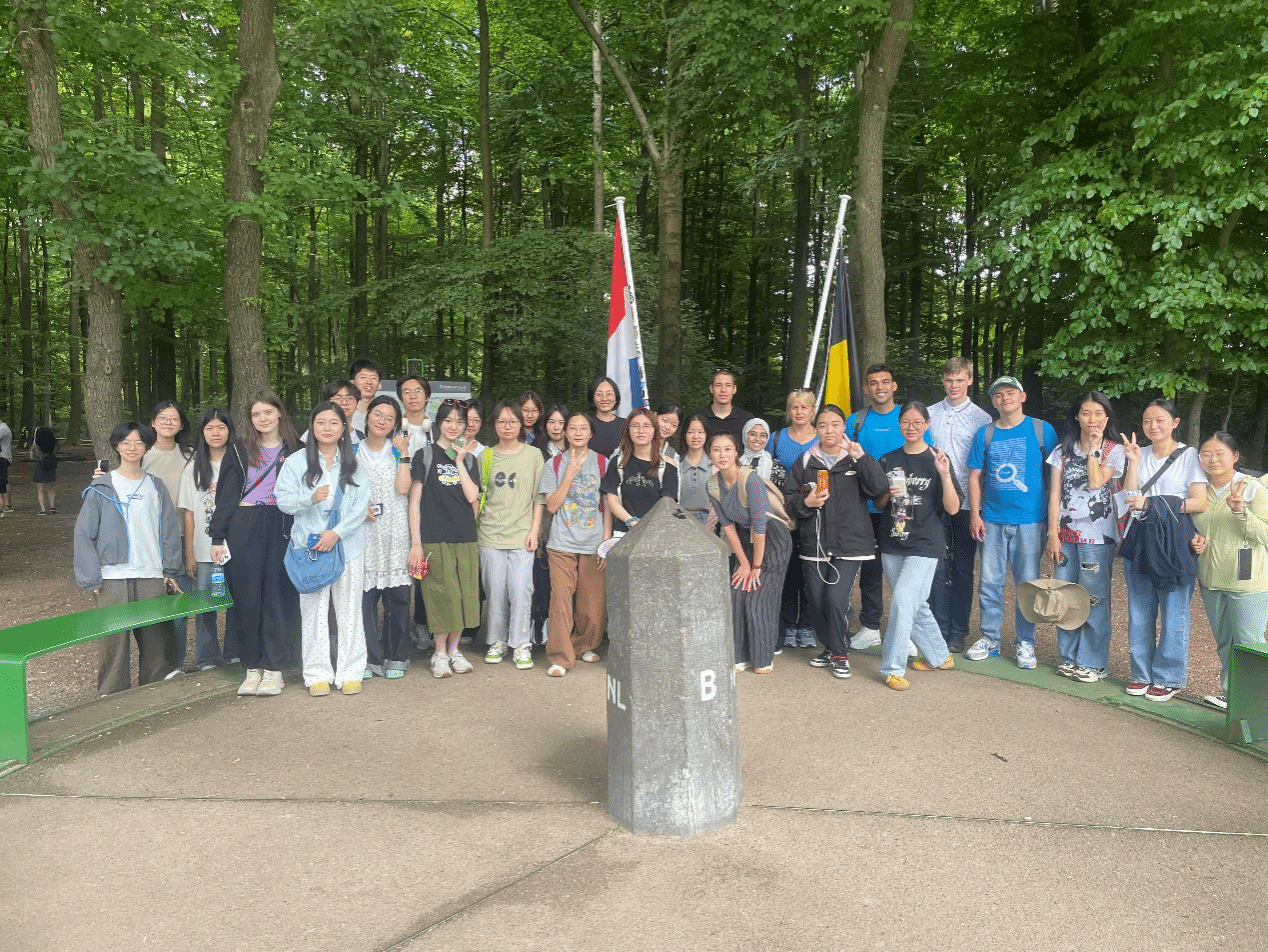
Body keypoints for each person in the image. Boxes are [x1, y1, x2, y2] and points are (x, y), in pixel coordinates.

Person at [74, 421, 183, 695]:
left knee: (155, 635)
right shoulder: (102, 487)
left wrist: (170, 569)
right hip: (111, 576)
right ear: (116, 446)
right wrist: (90, 577)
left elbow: (169, 529)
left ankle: (155, 686)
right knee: (113, 639)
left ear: (146, 447)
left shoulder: (156, 486)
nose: (132, 448)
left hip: (151, 572)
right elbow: (84, 533)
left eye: (138, 442)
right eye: (126, 442)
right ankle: (112, 693)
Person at [209, 389, 302, 698]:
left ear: (279, 412)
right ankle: (252, 668)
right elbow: (225, 495)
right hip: (245, 524)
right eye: (256, 414)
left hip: (283, 524)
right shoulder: (239, 450)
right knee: (247, 597)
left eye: (268, 412)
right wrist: (217, 536)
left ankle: (274, 669)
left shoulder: (297, 449)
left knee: (278, 595)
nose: (263, 418)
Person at [784, 405, 888, 680]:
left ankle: (840, 654)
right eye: (822, 425)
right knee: (816, 601)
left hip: (850, 543)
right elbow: (789, 499)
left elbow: (879, 489)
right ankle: (830, 648)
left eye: (835, 424)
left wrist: (862, 458)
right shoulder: (806, 461)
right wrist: (806, 502)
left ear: (844, 427)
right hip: (815, 543)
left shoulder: (855, 457)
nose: (829, 430)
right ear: (816, 429)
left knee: (835, 598)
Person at [277, 402, 371, 697]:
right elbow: (283, 501)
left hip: (348, 546)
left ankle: (351, 672)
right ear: (312, 426)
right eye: (321, 422)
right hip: (310, 547)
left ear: (344, 428)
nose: (327, 428)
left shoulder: (354, 464)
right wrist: (310, 498)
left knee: (349, 610)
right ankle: (317, 674)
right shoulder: (296, 462)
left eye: (333, 423)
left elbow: (360, 508)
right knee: (314, 612)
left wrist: (335, 533)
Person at [964, 376, 1058, 669]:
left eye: (1010, 393)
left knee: (1027, 586)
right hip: (992, 520)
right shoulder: (985, 434)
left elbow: (1057, 475)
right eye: (999, 395)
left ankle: (1025, 642)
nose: (1005, 398)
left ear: (1023, 396)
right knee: (989, 584)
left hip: (1031, 521)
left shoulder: (1042, 430)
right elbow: (974, 476)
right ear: (993, 401)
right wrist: (975, 514)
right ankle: (990, 639)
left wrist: (1054, 524)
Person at [1120, 399, 1207, 701]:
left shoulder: (1189, 455)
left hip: (1174, 539)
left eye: (1160, 420)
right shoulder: (1139, 453)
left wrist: (1154, 504)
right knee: (1139, 610)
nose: (1153, 426)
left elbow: (1199, 502)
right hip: (1141, 537)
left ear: (1175, 422)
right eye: (1147, 421)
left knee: (1174, 611)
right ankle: (1141, 674)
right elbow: (1131, 496)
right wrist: (1133, 462)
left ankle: (1169, 677)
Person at [874, 403, 961, 690]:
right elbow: (879, 503)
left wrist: (944, 474)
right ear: (899, 424)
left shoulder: (938, 459)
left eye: (917, 422)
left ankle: (892, 668)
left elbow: (953, 508)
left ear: (927, 424)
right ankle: (940, 656)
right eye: (906, 422)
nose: (911, 427)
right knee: (915, 604)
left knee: (902, 601)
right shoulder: (888, 459)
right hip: (893, 540)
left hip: (925, 542)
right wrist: (888, 492)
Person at [845, 363, 928, 651]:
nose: (879, 387)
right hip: (866, 508)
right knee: (870, 570)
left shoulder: (908, 417)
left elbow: (924, 458)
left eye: (885, 381)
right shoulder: (856, 421)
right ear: (866, 388)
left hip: (904, 509)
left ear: (894, 386)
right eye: (873, 383)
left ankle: (909, 632)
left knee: (905, 573)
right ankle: (870, 626)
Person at [1045, 392, 1126, 682]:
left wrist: (1093, 449)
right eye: (1086, 413)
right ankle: (1068, 657)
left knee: (1094, 599)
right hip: (1065, 536)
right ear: (1077, 416)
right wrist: (1052, 534)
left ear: (1107, 418)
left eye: (1098, 414)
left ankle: (1093, 663)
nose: (1092, 419)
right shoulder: (1062, 451)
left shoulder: (1114, 450)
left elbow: (1095, 482)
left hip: (1097, 538)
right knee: (1066, 596)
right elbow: (1055, 494)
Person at [1191, 432, 1268, 711]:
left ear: (1235, 456)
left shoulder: (1253, 489)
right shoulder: (1199, 490)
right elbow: (1197, 527)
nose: (1212, 459)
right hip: (1211, 579)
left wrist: (1241, 512)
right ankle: (1232, 695)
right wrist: (1194, 539)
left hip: (1248, 583)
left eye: (1219, 453)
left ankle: (1255, 705)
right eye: (1206, 454)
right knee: (1224, 643)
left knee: (1250, 644)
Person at [708, 431, 793, 675]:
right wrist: (743, 563)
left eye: (727, 449)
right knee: (737, 592)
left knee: (758, 596)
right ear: (709, 454)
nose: (722, 455)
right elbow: (727, 526)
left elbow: (760, 525)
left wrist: (755, 567)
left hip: (772, 539)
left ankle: (762, 658)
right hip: (745, 540)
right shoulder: (712, 484)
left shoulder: (750, 480)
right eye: (716, 449)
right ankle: (740, 656)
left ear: (736, 452)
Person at [408, 399, 482, 678]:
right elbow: (414, 502)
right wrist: (416, 543)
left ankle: (454, 651)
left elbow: (473, 497)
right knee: (441, 595)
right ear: (439, 423)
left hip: (465, 536)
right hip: (434, 536)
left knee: (464, 596)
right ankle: (439, 653)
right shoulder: (424, 456)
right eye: (448, 420)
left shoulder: (470, 459)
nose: (454, 426)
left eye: (460, 421)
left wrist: (460, 461)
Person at [928, 357, 992, 652]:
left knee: (963, 568)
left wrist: (978, 510)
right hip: (935, 502)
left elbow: (984, 467)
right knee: (937, 566)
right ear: (943, 381)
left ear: (970, 381)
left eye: (959, 380)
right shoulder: (929, 414)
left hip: (967, 504)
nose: (954, 385)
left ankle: (958, 631)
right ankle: (937, 627)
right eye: (949, 380)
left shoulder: (982, 419)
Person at [478, 401, 545, 671]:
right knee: (495, 591)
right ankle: (497, 641)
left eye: (512, 421)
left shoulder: (534, 455)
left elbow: (539, 497)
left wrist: (534, 531)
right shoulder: (485, 457)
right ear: (494, 425)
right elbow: (479, 495)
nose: (507, 427)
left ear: (521, 424)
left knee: (521, 590)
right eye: (501, 421)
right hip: (490, 533)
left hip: (522, 534)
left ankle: (520, 643)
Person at [540, 412, 608, 677]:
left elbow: (608, 504)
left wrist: (606, 541)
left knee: (592, 602)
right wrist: (568, 475)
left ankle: (582, 646)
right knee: (561, 598)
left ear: (591, 433)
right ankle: (560, 656)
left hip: (593, 541)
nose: (578, 433)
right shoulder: (555, 464)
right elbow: (551, 505)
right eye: (573, 428)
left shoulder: (602, 463)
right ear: (565, 432)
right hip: (561, 542)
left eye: (583, 428)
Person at [357, 395, 414, 679]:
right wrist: (359, 510)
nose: (382, 421)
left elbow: (403, 489)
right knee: (364, 599)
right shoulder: (351, 451)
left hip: (396, 531)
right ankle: (369, 658)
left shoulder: (398, 451)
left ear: (395, 425)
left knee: (398, 598)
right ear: (367, 416)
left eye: (389, 418)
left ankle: (398, 656)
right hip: (364, 532)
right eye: (378, 414)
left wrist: (404, 453)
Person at [178, 408, 239, 670]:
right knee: (206, 605)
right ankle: (207, 657)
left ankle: (236, 650)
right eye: (209, 428)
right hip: (205, 550)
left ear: (229, 431)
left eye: (221, 427)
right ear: (202, 433)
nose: (216, 433)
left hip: (236, 546)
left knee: (237, 600)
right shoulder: (193, 468)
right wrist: (190, 553)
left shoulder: (240, 463)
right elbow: (189, 513)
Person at [142, 401, 195, 668]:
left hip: (184, 537)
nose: (168, 423)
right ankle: (155, 665)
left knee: (178, 604)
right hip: (149, 540)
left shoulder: (191, 456)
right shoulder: (141, 455)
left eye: (174, 419)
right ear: (153, 422)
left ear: (181, 425)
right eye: (162, 417)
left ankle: (176, 664)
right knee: (151, 603)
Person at [772, 389, 819, 651]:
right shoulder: (776, 439)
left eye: (804, 407)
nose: (799, 412)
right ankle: (789, 623)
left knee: (811, 571)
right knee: (789, 570)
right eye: (794, 407)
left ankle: (807, 625)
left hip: (815, 514)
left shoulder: (822, 437)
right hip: (785, 514)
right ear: (788, 411)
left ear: (813, 411)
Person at [602, 409, 679, 538]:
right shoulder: (618, 462)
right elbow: (612, 500)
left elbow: (667, 504)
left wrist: (646, 527)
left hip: (656, 535)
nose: (640, 430)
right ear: (628, 430)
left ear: (655, 430)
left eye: (646, 426)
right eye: (635, 425)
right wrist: (632, 522)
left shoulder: (667, 465)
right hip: (623, 534)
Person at [692, 368, 754, 443]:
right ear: (711, 388)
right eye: (718, 385)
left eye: (728, 385)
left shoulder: (747, 419)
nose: (723, 390)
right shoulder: (696, 417)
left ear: (734, 389)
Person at [674, 414, 713, 524]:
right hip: (679, 519)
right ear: (684, 435)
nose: (696, 436)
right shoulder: (676, 463)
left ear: (706, 435)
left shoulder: (714, 465)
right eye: (690, 432)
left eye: (700, 432)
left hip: (709, 520)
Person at [588, 376, 625, 458]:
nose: (604, 399)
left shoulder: (626, 425)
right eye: (599, 395)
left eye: (609, 394)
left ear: (616, 397)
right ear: (592, 398)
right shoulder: (585, 424)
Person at [397, 374, 433, 458]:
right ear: (401, 399)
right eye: (407, 392)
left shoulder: (438, 431)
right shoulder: (393, 430)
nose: (413, 396)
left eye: (418, 391)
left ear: (427, 397)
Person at [740, 418, 785, 484]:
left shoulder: (774, 465)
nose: (757, 439)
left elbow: (779, 489)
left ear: (767, 438)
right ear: (745, 435)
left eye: (762, 435)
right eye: (753, 434)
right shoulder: (735, 460)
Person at [348, 357, 383, 433]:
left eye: (373, 378)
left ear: (379, 385)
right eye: (363, 377)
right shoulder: (344, 413)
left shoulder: (386, 413)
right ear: (352, 383)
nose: (368, 382)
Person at [31, 424, 58, 515]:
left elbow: (32, 456)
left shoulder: (36, 445)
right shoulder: (53, 444)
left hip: (40, 465)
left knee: (40, 489)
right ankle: (52, 507)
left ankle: (43, 510)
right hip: (51, 464)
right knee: (51, 487)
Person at [0, 410, 12, 514]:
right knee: (5, 481)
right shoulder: (5, 428)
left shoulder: (2, 429)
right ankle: (8, 504)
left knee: (3, 482)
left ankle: (4, 506)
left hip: (3, 458)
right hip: (5, 457)